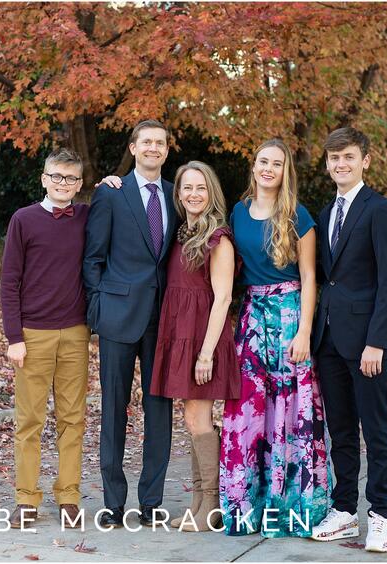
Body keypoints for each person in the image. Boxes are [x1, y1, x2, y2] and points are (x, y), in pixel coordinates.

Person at [219, 138, 331, 537]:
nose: (268, 168)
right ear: (253, 166)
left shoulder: (298, 216)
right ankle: (244, 505)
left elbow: (308, 278)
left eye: (276, 164)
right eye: (263, 161)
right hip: (251, 318)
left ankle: (288, 506)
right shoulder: (236, 212)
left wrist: (303, 331)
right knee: (248, 408)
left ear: (286, 171)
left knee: (289, 411)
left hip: (287, 317)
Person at [309, 127, 387, 553]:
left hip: (368, 343)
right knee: (341, 430)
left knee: (376, 429)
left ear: (365, 160)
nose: (341, 164)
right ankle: (344, 510)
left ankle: (381, 514)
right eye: (334, 158)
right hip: (328, 339)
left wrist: (377, 342)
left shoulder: (379, 210)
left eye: (348, 157)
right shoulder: (324, 211)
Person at [83, 119, 178, 528]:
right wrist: (97, 309)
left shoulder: (178, 195)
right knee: (113, 408)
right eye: (147, 142)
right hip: (118, 317)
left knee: (159, 411)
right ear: (134, 148)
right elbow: (93, 256)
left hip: (163, 320)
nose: (154, 148)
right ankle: (114, 502)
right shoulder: (111, 193)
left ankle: (152, 501)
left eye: (160, 143)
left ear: (167, 150)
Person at [0, 148, 91, 530]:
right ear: (43, 178)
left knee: (73, 419)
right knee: (30, 419)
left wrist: (112, 184)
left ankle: (68, 497)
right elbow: (9, 282)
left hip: (75, 333)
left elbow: (113, 200)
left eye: (70, 179)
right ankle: (26, 499)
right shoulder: (23, 220)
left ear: (80, 184)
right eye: (56, 176)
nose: (62, 184)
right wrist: (14, 336)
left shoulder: (86, 216)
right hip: (33, 335)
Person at [146, 161, 240, 532]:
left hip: (203, 339)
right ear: (178, 193)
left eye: (201, 187)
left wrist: (205, 354)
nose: (193, 194)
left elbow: (223, 298)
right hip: (180, 333)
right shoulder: (184, 232)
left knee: (199, 419)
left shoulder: (218, 236)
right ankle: (199, 501)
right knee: (191, 419)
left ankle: (212, 504)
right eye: (187, 188)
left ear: (211, 192)